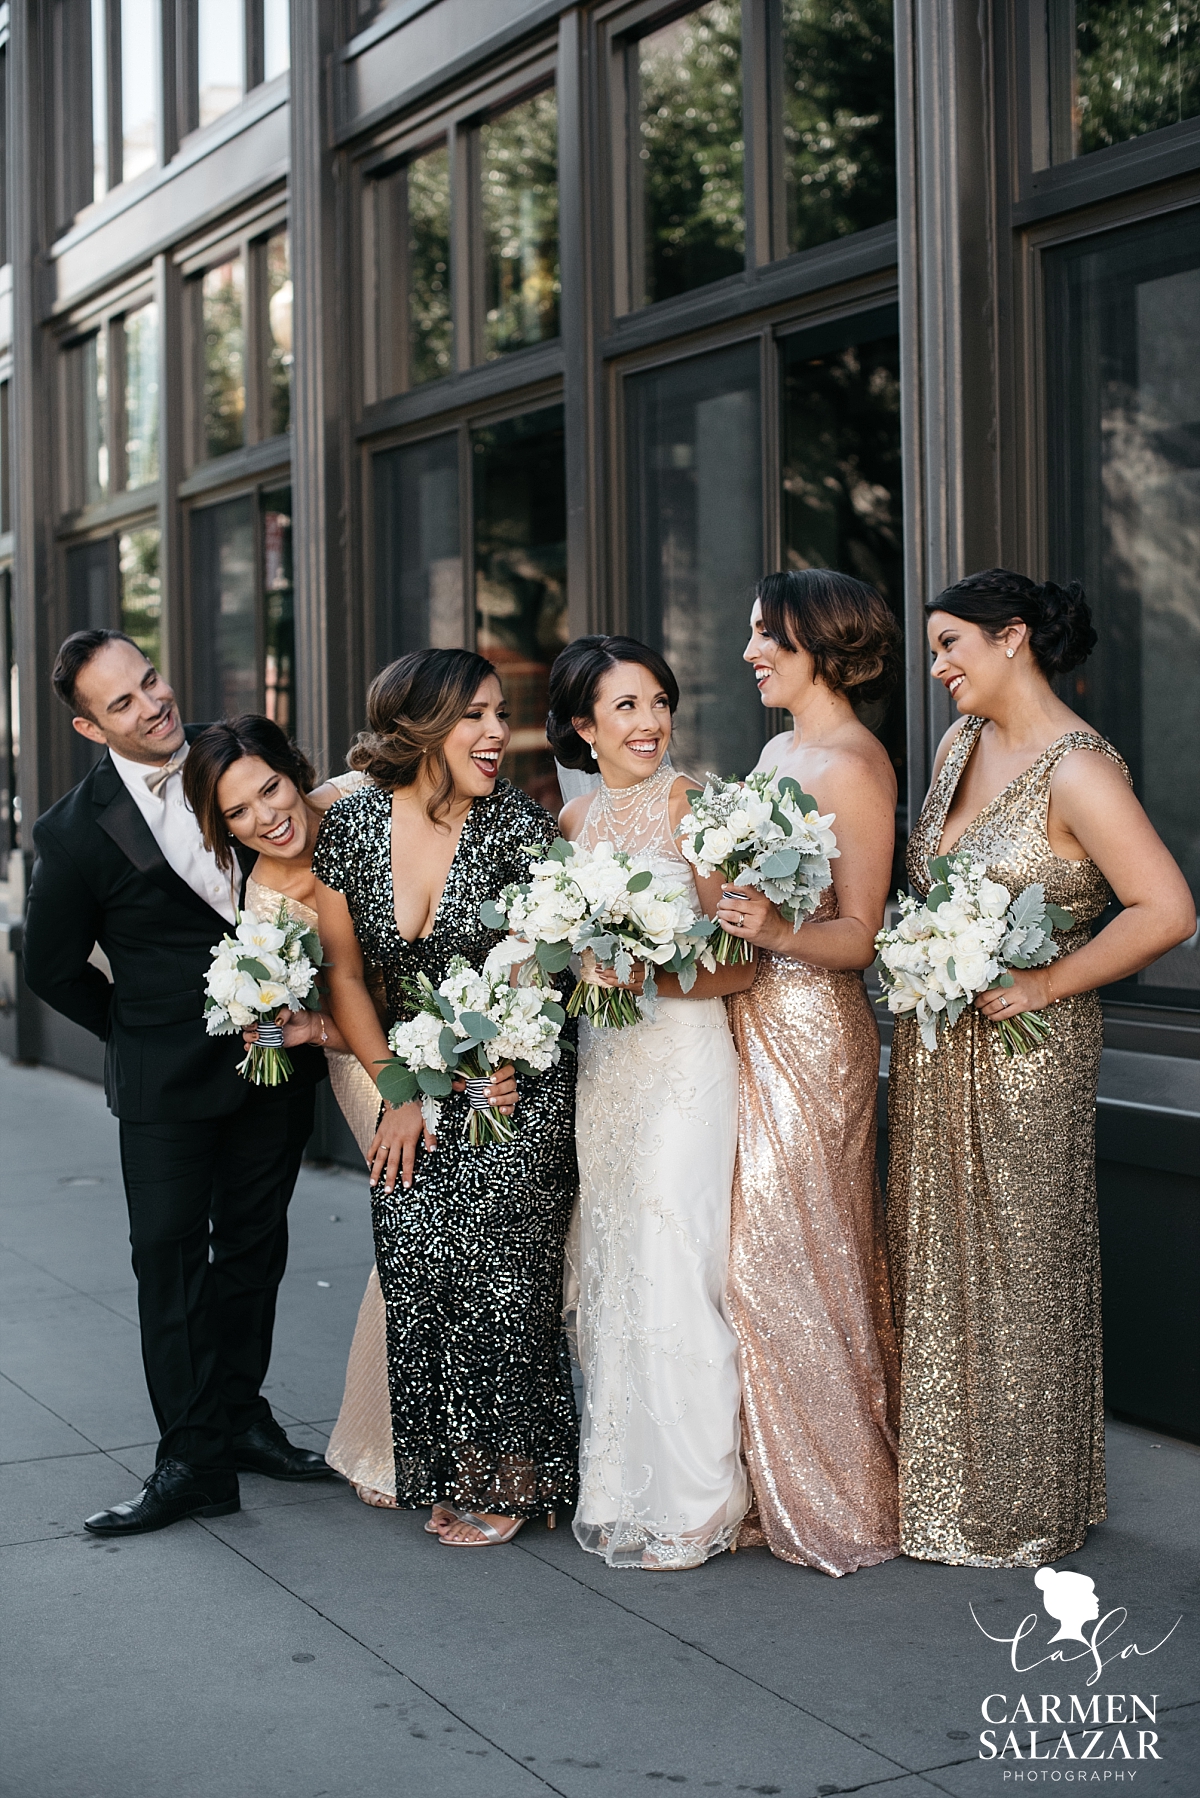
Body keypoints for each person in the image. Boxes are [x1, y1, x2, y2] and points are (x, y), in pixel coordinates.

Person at [886, 569, 1195, 1567]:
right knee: (935, 1247)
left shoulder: (1080, 771)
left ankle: (1021, 1503)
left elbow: (1167, 910)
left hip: (1029, 1050)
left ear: (1012, 636)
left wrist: (1047, 983)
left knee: (1020, 1263)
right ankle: (937, 1491)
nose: (938, 668)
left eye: (950, 645)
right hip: (940, 1043)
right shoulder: (958, 742)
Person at [22, 632, 331, 1539]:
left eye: (149, 679)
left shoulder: (242, 757)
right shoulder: (72, 832)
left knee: (252, 1251)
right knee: (168, 1261)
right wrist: (137, 1031)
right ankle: (189, 1460)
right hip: (162, 1081)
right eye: (121, 703)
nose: (151, 704)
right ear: (89, 725)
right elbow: (49, 967)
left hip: (273, 1062)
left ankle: (239, 1421)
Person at [312, 649, 579, 1547]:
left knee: (506, 1278)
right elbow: (348, 974)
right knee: (420, 1264)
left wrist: (481, 1069)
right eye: (474, 715)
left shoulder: (523, 833)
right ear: (419, 725)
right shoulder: (351, 829)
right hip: (409, 1080)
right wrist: (396, 1089)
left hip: (511, 1084)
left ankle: (515, 1479)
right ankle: (455, 1465)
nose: (497, 732)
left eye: (501, 713)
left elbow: (542, 980)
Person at [550, 635, 755, 1570]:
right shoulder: (575, 824)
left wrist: (642, 971)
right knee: (616, 1265)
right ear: (583, 727)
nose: (650, 722)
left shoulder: (696, 804)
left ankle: (698, 1499)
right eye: (625, 707)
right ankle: (622, 1484)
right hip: (608, 1068)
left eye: (658, 701)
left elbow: (743, 962)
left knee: (677, 1261)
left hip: (680, 1062)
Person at [713, 571, 902, 1576]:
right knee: (753, 1260)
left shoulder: (853, 763)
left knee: (796, 1257)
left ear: (820, 644)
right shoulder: (779, 747)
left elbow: (859, 934)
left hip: (816, 1030)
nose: (750, 652)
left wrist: (775, 927)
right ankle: (773, 1478)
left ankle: (845, 1498)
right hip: (751, 1013)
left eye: (767, 637)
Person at [181, 715, 396, 1509]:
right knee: (417, 1231)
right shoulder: (266, 908)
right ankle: (388, 1440)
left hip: (457, 1027)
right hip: (364, 1062)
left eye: (268, 788)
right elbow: (304, 1023)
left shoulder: (363, 801)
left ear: (291, 768)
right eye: (238, 813)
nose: (266, 817)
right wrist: (293, 1026)